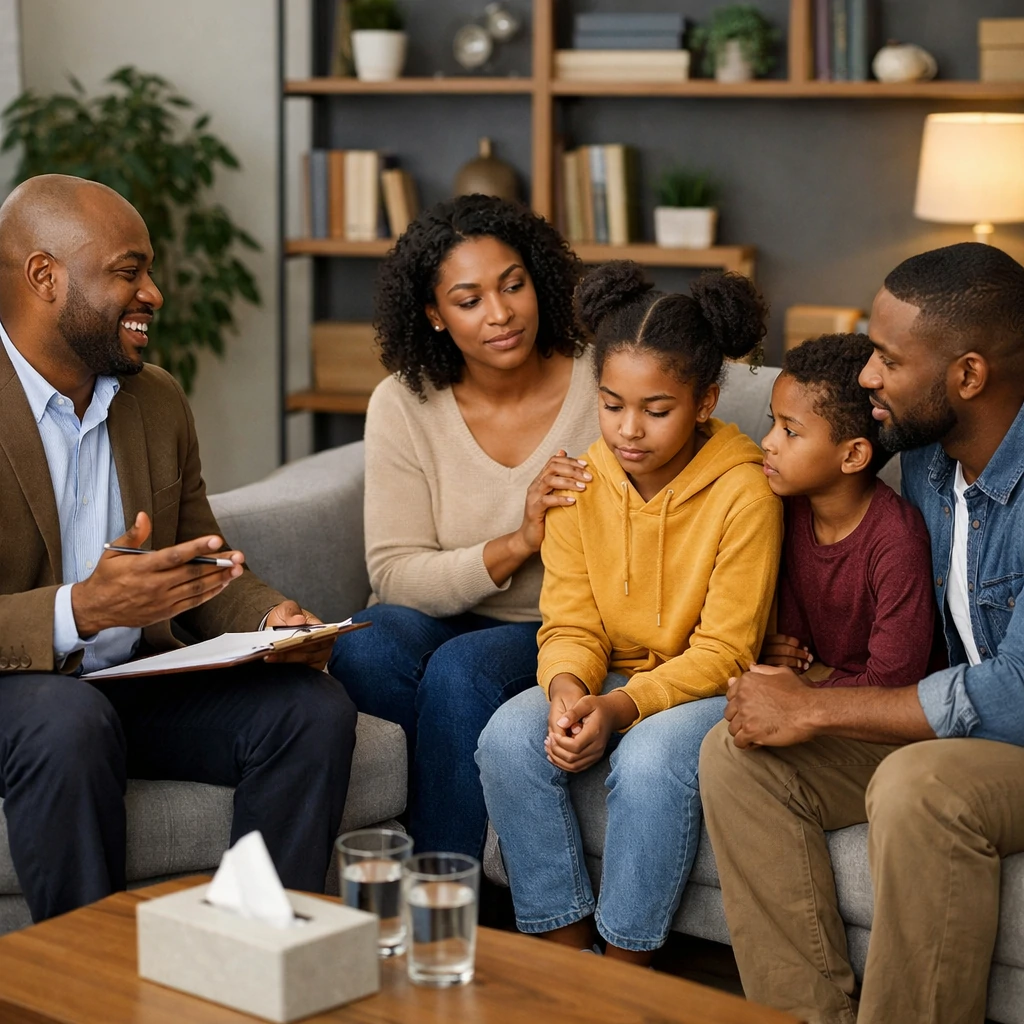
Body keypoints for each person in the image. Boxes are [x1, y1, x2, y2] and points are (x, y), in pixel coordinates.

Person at [0, 174, 357, 922]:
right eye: (128, 272)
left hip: (129, 686)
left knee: (308, 709)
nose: (154, 294)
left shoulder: (155, 399)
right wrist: (79, 611)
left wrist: (271, 621)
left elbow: (203, 559)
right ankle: (83, 990)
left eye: (149, 272)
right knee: (69, 720)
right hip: (21, 694)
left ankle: (250, 960)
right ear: (44, 276)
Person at [699, 242, 1024, 1024]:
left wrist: (814, 708)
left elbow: (1015, 694)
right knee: (738, 754)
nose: (868, 377)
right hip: (956, 734)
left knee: (921, 787)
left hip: (1006, 740)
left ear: (968, 376)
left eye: (886, 358)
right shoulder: (926, 461)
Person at [475, 261, 783, 965]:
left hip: (703, 688)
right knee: (506, 738)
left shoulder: (746, 493)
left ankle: (626, 971)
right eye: (612, 405)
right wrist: (567, 691)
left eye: (656, 409)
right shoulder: (581, 480)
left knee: (648, 762)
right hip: (608, 676)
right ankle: (564, 955)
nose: (628, 430)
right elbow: (571, 620)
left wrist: (620, 711)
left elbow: (727, 651)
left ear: (705, 402)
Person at [327, 194, 599, 858]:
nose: (501, 315)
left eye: (513, 286)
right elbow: (393, 573)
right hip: (446, 613)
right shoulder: (404, 402)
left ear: (540, 280)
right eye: (469, 300)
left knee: (458, 673)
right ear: (435, 315)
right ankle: (446, 818)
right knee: (360, 644)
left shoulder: (603, 382)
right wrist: (520, 540)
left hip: (563, 621)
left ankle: (442, 897)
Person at [760, 333, 935, 688]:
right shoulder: (787, 509)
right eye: (772, 423)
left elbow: (892, 683)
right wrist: (774, 650)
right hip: (825, 684)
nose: (767, 442)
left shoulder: (898, 543)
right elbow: (796, 649)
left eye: (790, 431)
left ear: (853, 455)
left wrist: (800, 696)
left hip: (884, 711)